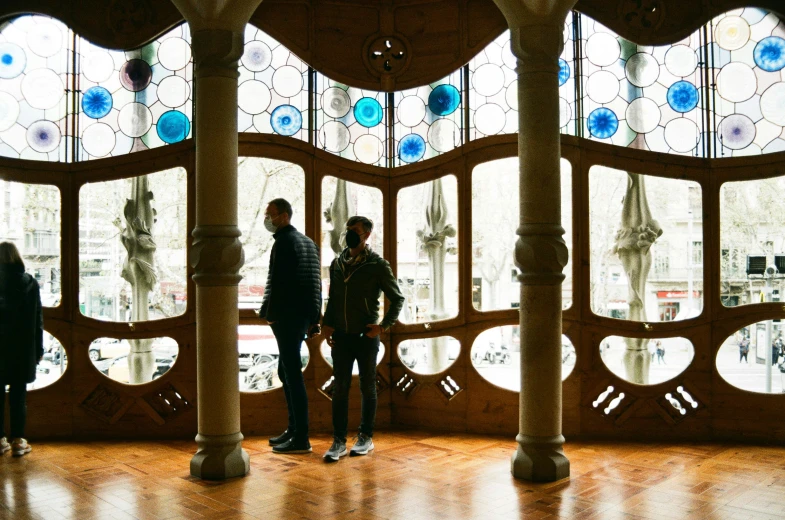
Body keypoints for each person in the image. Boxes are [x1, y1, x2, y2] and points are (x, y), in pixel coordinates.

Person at [321, 216, 404, 462]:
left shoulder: (378, 265)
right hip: (341, 337)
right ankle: (338, 442)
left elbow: (397, 298)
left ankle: (365, 437)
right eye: (347, 230)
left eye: (354, 231)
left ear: (366, 235)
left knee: (368, 387)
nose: (349, 234)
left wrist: (383, 326)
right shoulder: (337, 263)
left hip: (366, 338)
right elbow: (333, 298)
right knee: (340, 388)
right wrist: (327, 324)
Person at [258, 199, 321, 454]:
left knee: (292, 375)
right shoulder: (309, 243)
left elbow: (279, 283)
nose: (267, 219)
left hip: (287, 317)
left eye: (270, 214)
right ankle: (293, 429)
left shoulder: (284, 243)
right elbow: (316, 284)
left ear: (284, 216)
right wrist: (315, 318)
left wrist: (270, 314)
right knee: (286, 372)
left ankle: (301, 437)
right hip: (303, 316)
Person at [0, 242, 43, 457]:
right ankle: (18, 441)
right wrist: (38, 349)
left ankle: (0, 440)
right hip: (21, 348)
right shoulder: (30, 283)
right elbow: (38, 320)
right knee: (18, 395)